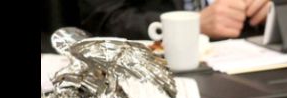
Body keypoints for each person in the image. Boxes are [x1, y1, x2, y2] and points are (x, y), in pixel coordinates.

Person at [78, 0, 271, 40]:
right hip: (158, 67)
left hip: (254, 54)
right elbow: (104, 19)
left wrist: (277, 7)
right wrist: (189, 24)